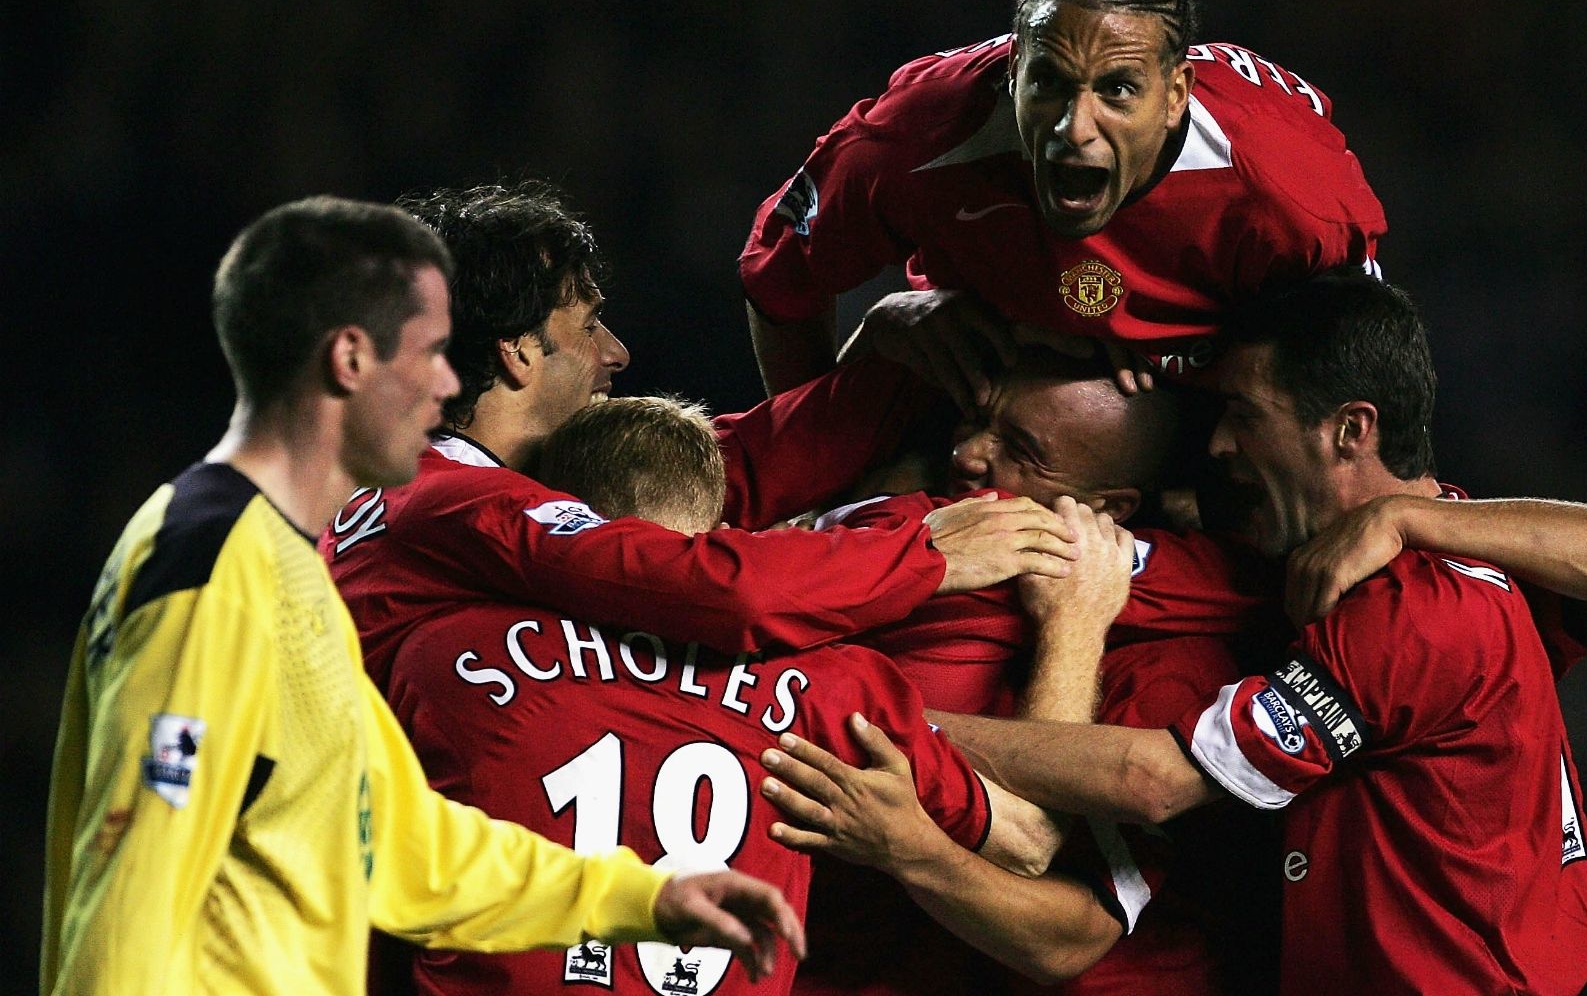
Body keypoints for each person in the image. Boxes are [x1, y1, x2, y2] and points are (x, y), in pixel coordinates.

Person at [739, 342, 1587, 992]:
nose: (1223, 446)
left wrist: (852, 720)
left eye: (1244, 415)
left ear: (1348, 430)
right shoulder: (1436, 558)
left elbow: (1136, 798)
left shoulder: (1400, 611)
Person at [41, 198, 802, 996]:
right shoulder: (214, 570)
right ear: (349, 360)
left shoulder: (291, 568)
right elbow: (137, 869)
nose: (450, 383)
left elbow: (408, 846)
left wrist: (641, 896)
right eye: (432, 353)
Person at [375, 395, 1103, 994]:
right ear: (726, 534)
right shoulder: (833, 687)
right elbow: (1031, 842)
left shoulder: (441, 656)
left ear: (562, 513)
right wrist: (1076, 620)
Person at [323, 182, 1079, 699]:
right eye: (587, 325)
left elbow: (732, 467)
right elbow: (721, 590)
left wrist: (917, 350)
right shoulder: (454, 505)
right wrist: (929, 554)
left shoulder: (445, 482)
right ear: (516, 351)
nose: (615, 353)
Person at [741, 0, 1388, 402]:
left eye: (1117, 90)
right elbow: (781, 278)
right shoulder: (914, 134)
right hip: (975, 392)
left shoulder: (1289, 193)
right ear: (1014, 71)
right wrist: (814, 462)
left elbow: (1360, 393)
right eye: (1049, 82)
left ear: (1176, 96)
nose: (1073, 129)